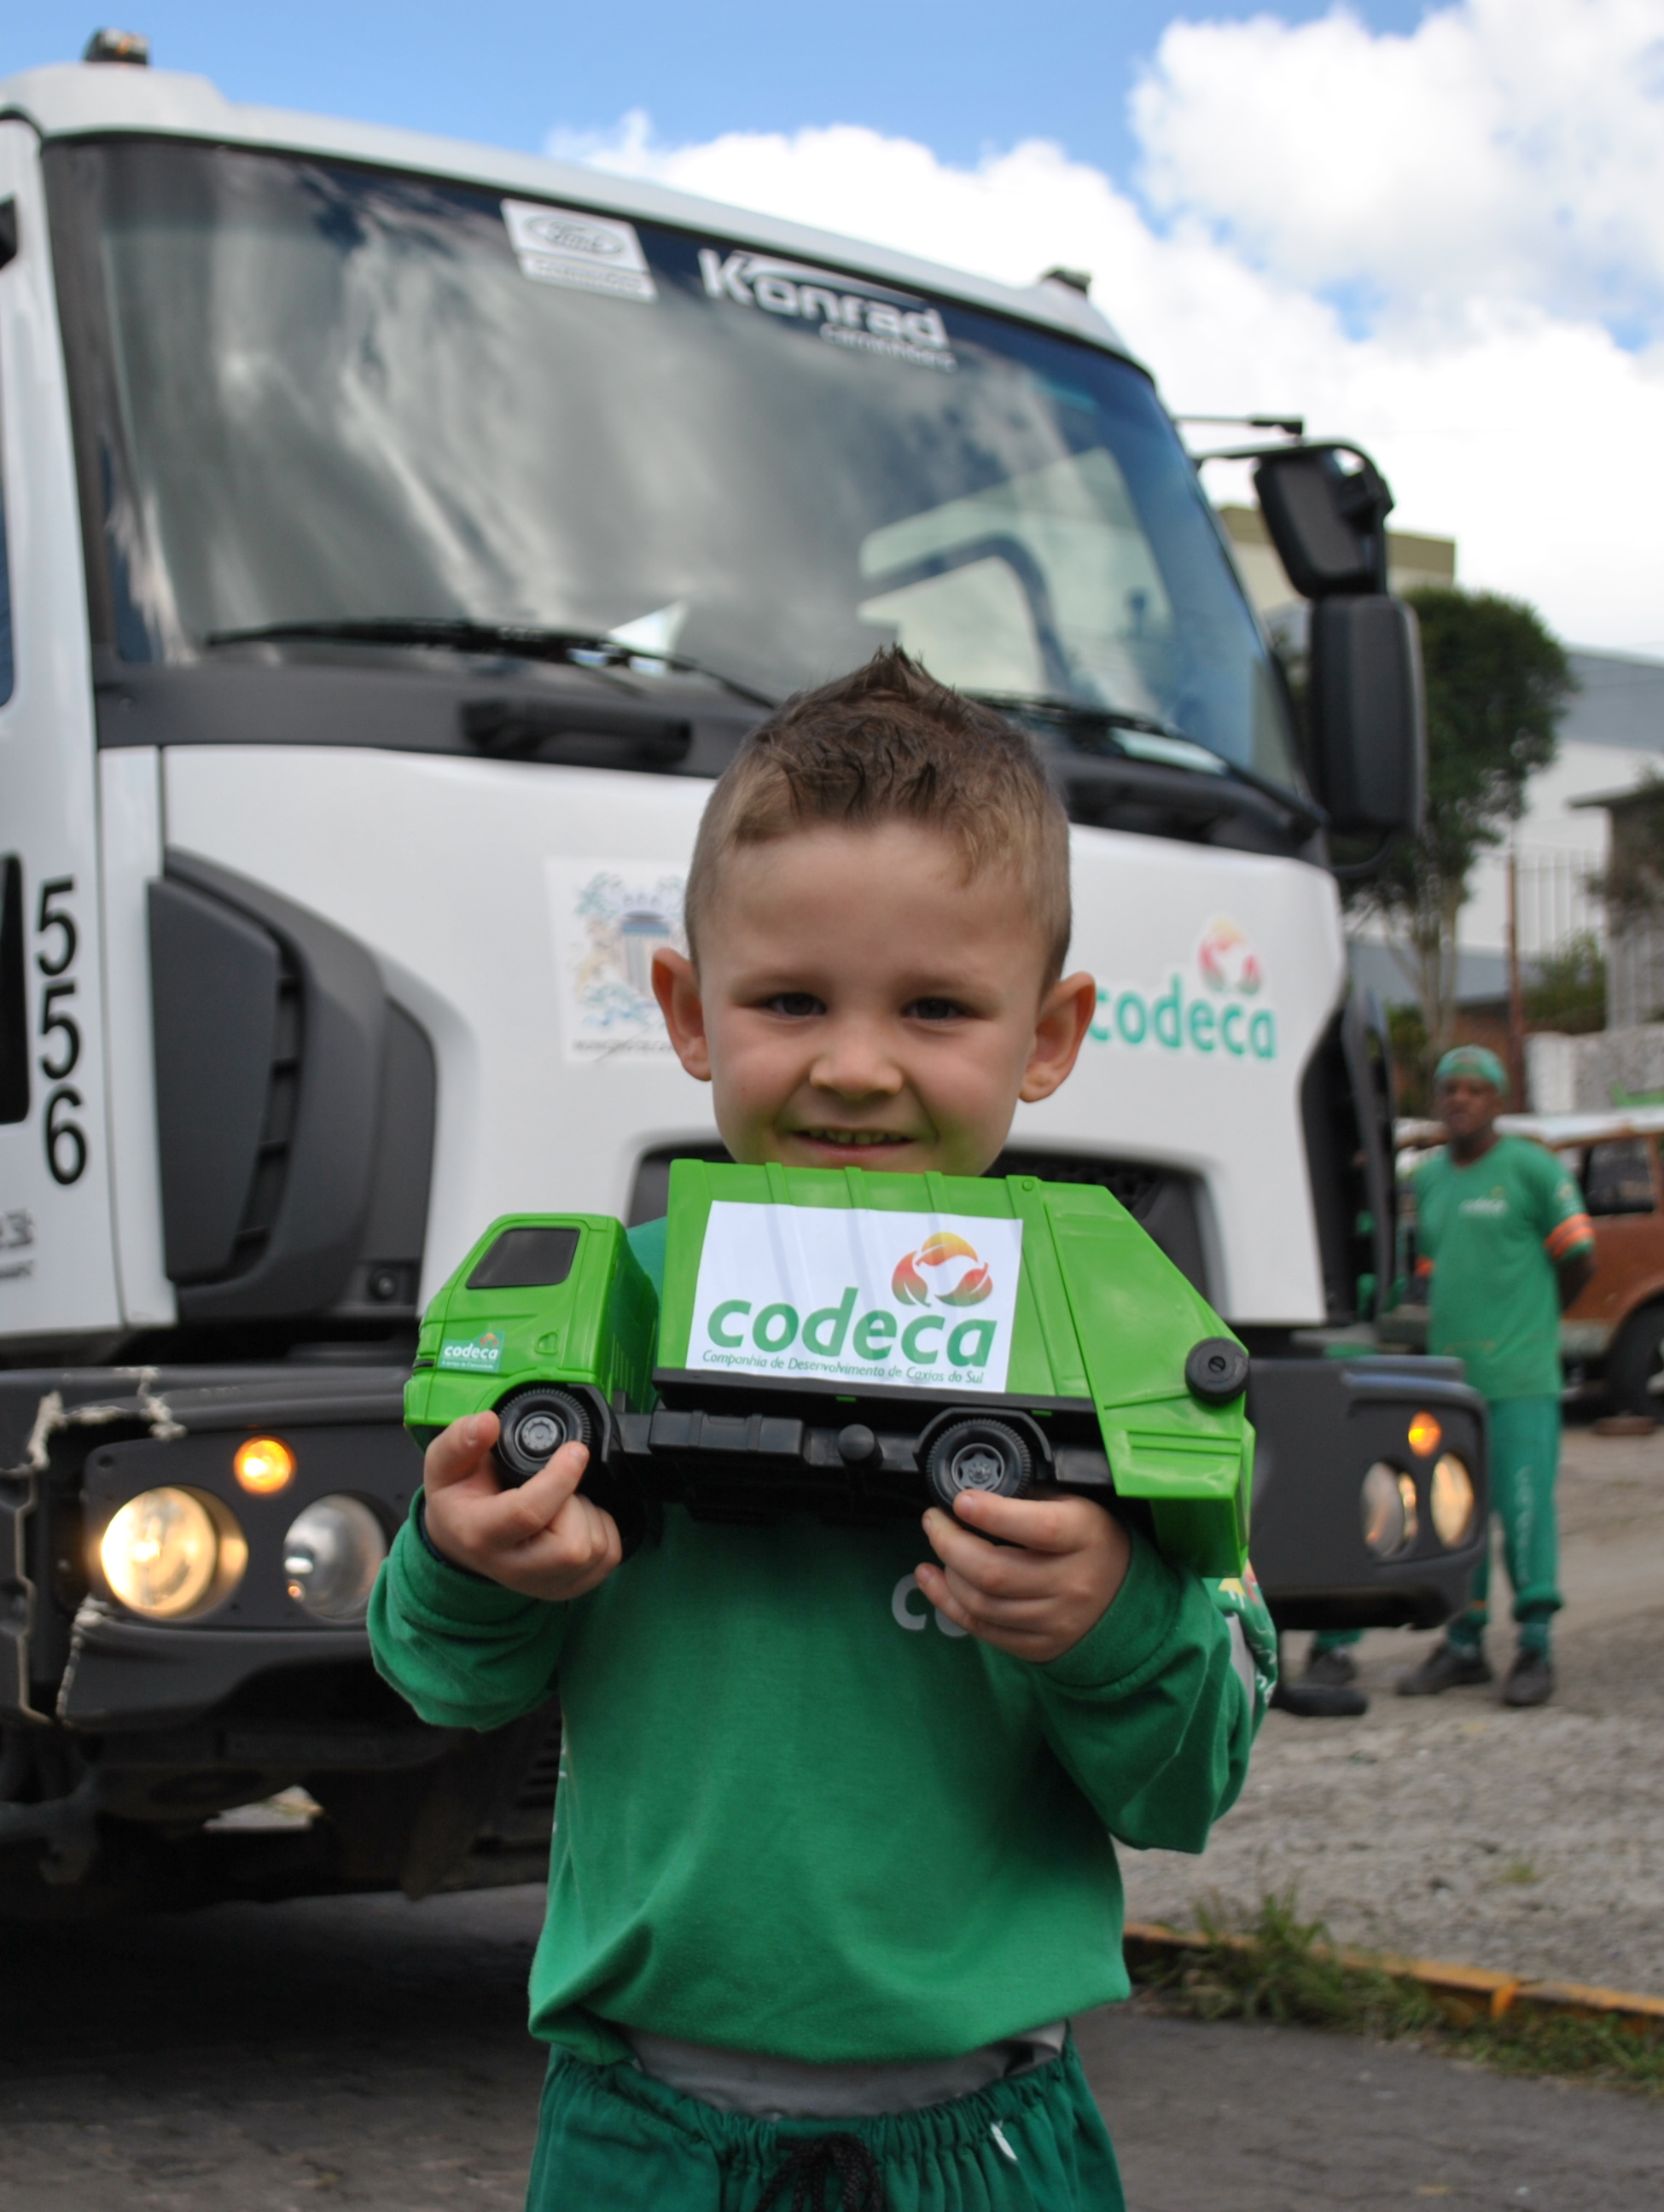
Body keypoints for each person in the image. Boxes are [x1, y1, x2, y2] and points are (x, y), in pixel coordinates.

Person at [367, 649, 1267, 2209]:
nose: (855, 1067)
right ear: (686, 1011)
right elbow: (441, 1674)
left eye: (936, 1007)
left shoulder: (1115, 1333)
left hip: (987, 2144)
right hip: (640, 2142)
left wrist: (1113, 1618)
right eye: (790, 1001)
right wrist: (466, 1560)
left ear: (1048, 1035)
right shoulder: (611, 1309)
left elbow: (1191, 1777)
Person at [1292, 1044, 1593, 1713]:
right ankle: (1464, 1644)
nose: (1459, 1099)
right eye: (1449, 1088)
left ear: (1498, 1101)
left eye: (1473, 1089)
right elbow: (1420, 1276)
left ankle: (1535, 1645)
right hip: (1452, 1385)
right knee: (1457, 1514)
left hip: (1520, 1379)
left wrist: (1537, 1325)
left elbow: (1580, 1256)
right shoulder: (1427, 1181)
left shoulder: (1532, 1169)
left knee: (1524, 1512)